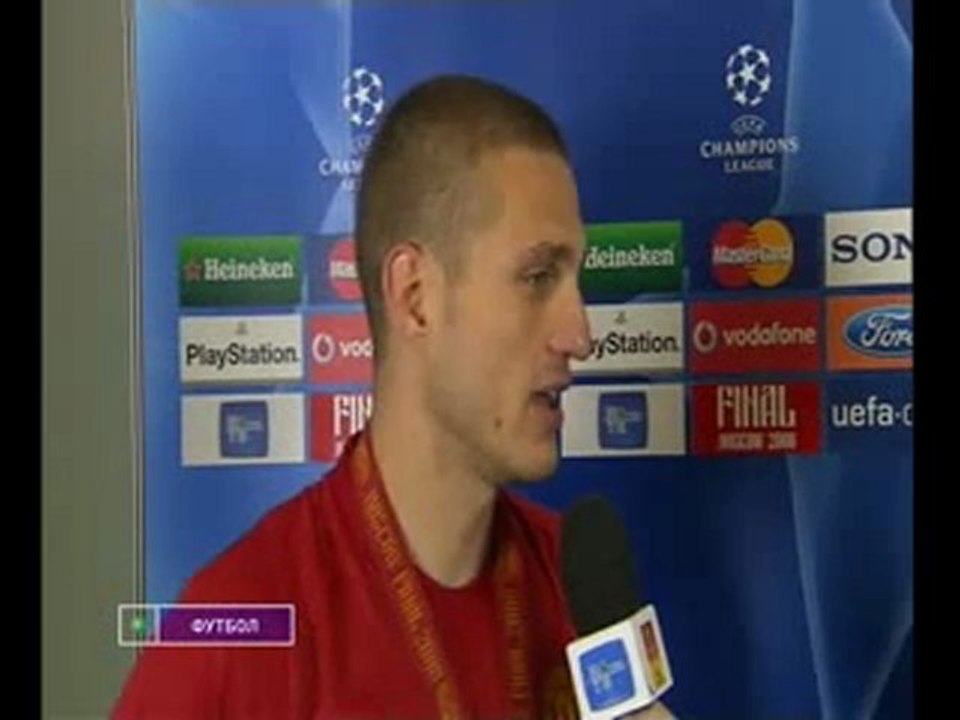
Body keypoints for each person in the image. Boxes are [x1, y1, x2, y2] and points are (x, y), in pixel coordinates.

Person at [113, 74, 672, 719]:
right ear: (415, 297)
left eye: (576, 280)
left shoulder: (579, 597)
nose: (580, 334)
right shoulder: (233, 628)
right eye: (538, 276)